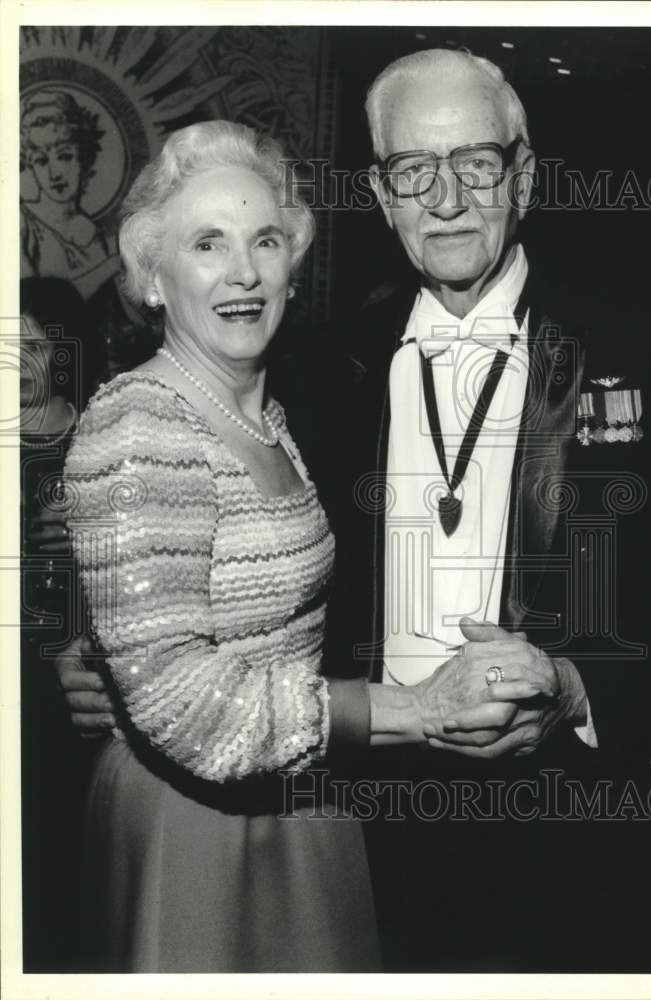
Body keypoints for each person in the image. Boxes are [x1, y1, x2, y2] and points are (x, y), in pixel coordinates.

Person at [59, 52, 651, 973]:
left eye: (475, 164)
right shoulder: (321, 368)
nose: (448, 200)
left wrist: (581, 689)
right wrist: (104, 654)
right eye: (412, 173)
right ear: (381, 196)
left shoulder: (650, 343)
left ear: (525, 175)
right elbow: (203, 571)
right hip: (366, 828)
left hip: (582, 838)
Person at [60, 120, 531, 973]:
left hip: (312, 800)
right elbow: (181, 706)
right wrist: (417, 710)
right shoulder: (137, 420)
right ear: (151, 277)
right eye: (207, 243)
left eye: (265, 240)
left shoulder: (284, 411)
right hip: (196, 823)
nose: (243, 272)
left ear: (291, 262)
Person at [19, 277, 105, 970]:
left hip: (78, 682)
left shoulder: (101, 441)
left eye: (34, 346)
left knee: (68, 852)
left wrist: (89, 534)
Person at [20, 90, 120, 300]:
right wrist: (112, 265)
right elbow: (29, 303)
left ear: (83, 156)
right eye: (41, 161)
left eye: (64, 156)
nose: (54, 174)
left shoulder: (92, 233)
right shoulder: (22, 222)